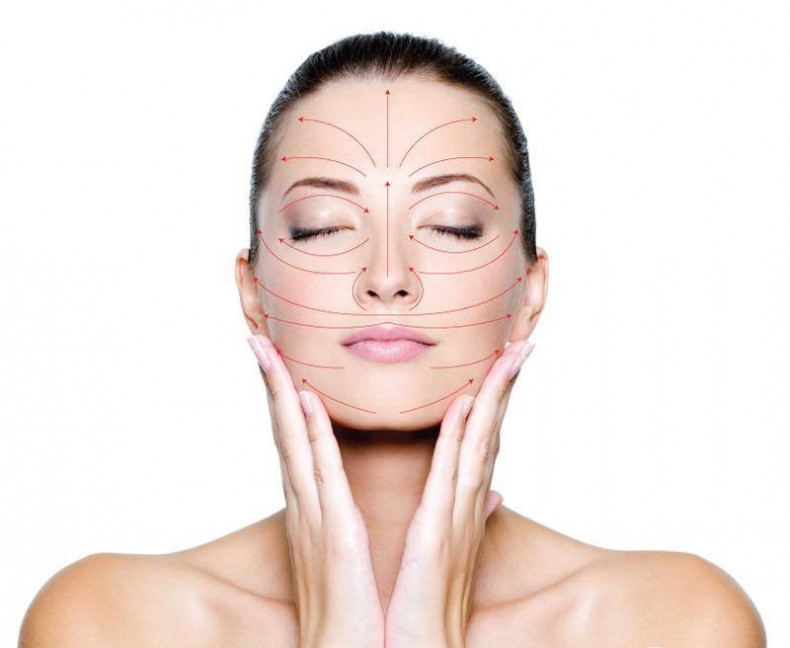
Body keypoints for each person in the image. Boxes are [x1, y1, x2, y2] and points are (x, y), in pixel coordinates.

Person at [19, 31, 766, 647]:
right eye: (321, 227)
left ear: (530, 290)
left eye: (452, 226)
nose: (386, 276)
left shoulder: (673, 622)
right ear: (252, 292)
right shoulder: (108, 622)